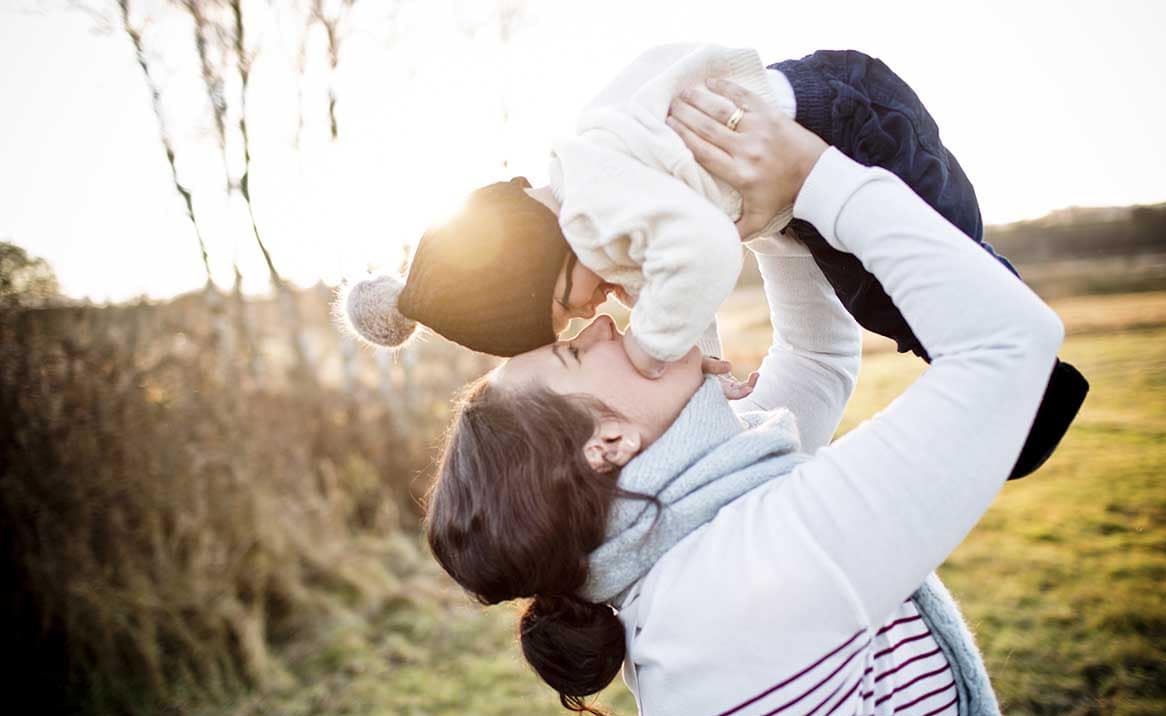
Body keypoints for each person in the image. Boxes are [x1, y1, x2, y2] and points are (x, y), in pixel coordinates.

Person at [422, 94, 1062, 716]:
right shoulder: (747, 579)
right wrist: (813, 176)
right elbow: (1011, 345)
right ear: (607, 443)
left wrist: (757, 214)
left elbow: (817, 359)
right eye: (575, 354)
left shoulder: (688, 540)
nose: (599, 324)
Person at [340, 45, 1086, 479]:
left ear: (540, 253)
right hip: (823, 137)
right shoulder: (596, 190)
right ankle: (1009, 380)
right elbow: (679, 275)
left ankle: (1027, 384)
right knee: (879, 294)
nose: (594, 312)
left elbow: (700, 256)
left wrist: (654, 353)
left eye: (566, 305)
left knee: (923, 280)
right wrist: (695, 369)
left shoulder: (601, 200)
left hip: (849, 124)